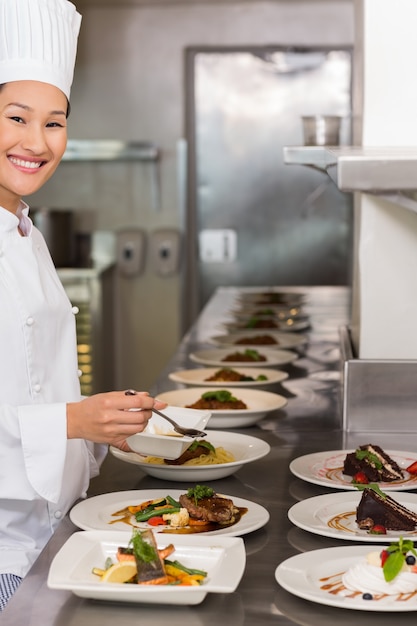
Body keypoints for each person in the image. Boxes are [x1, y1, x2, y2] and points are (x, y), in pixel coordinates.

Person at [0, 0, 166, 611]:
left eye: (55, 122)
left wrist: (103, 423)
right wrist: (73, 423)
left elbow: (32, 385)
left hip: (46, 540)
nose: (36, 143)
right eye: (16, 117)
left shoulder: (22, 229)